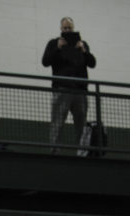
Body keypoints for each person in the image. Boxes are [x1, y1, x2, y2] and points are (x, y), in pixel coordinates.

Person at [42, 17, 96, 152]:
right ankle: (55, 152)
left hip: (80, 91)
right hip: (62, 89)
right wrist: (58, 48)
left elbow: (92, 63)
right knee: (57, 123)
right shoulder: (54, 43)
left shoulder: (82, 44)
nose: (67, 30)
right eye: (65, 28)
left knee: (81, 124)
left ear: (74, 28)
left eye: (69, 28)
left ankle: (81, 152)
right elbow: (45, 62)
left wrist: (84, 51)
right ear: (61, 29)